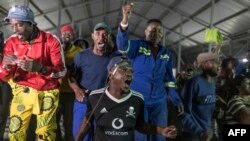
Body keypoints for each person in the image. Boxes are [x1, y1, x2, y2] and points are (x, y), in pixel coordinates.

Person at [116, 3, 183, 141]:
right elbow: (122, 47)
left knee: (160, 134)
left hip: (159, 101)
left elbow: (169, 80)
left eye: (159, 31)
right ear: (145, 32)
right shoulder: (137, 47)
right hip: (139, 99)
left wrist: (175, 99)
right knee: (140, 134)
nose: (155, 34)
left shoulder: (167, 54)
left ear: (162, 34)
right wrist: (124, 21)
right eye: (152, 31)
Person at [0, 5, 66, 141]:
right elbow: (4, 77)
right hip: (22, 91)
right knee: (15, 133)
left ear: (30, 24)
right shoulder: (11, 42)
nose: (15, 30)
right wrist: (5, 66)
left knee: (45, 133)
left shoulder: (51, 40)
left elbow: (62, 71)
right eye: (12, 26)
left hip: (47, 91)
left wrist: (40, 68)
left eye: (19, 25)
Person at [76, 56, 178, 141]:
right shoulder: (95, 97)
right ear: (110, 74)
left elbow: (140, 125)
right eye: (123, 69)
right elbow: (87, 123)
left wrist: (161, 130)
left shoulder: (138, 99)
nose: (129, 73)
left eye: (131, 71)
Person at [68, 22, 120, 141]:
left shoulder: (114, 58)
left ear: (109, 37)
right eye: (98, 33)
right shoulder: (81, 56)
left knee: (101, 137)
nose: (101, 37)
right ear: (92, 36)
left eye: (105, 34)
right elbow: (71, 77)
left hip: (103, 104)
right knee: (80, 136)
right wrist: (77, 89)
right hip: (83, 103)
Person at [178, 52, 220, 141]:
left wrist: (216, 112)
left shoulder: (212, 83)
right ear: (205, 64)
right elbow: (182, 113)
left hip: (208, 131)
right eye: (215, 62)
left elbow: (204, 108)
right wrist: (200, 132)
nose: (218, 66)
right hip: (194, 134)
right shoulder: (193, 83)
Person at [56, 25, 83, 141]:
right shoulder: (55, 49)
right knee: (54, 121)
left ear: (73, 36)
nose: (66, 35)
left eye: (69, 33)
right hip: (55, 91)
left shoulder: (79, 52)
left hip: (70, 93)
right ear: (60, 35)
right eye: (64, 33)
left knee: (69, 122)